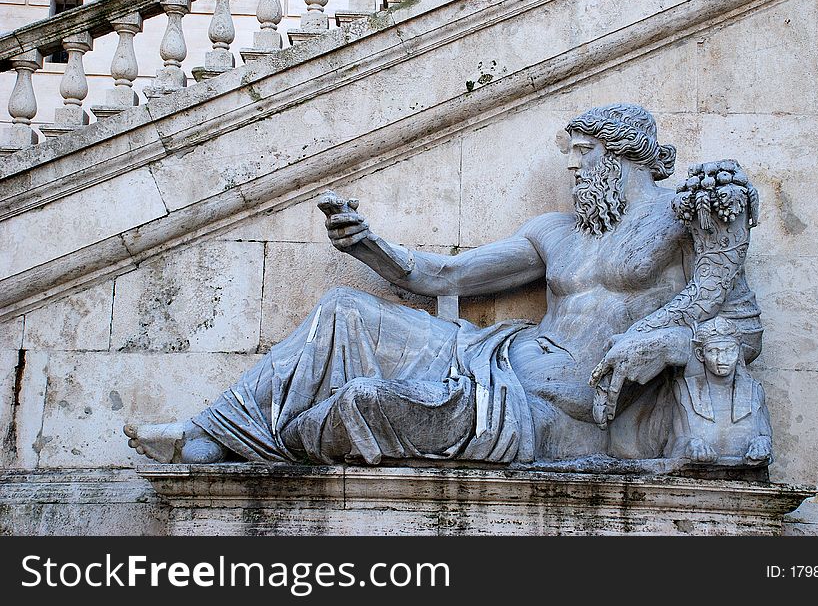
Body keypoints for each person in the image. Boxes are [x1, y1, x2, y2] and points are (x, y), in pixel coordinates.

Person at [124, 103, 762, 465]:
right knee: (345, 309)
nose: (572, 170)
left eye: (582, 154)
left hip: (549, 409)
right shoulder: (555, 233)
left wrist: (661, 346)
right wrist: (370, 246)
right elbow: (446, 275)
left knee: (368, 404)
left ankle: (281, 440)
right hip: (496, 356)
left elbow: (737, 324)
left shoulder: (686, 217)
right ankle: (210, 433)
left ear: (621, 153)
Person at [665, 316, 772, 464]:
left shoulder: (755, 390)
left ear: (739, 351)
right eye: (713, 351)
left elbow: (765, 435)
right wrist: (690, 445)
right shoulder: (683, 389)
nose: (722, 359)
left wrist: (762, 443)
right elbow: (671, 444)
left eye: (730, 351)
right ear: (700, 354)